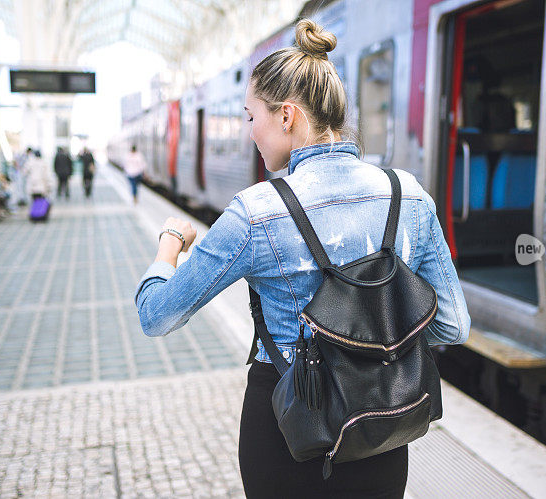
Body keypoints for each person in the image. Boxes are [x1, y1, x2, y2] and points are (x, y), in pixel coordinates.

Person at [134, 19, 470, 498]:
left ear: (286, 115)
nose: (249, 132)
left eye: (251, 117)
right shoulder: (408, 196)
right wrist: (379, 343)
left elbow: (157, 316)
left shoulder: (256, 212)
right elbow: (453, 326)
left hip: (290, 433)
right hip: (381, 427)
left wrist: (169, 243)